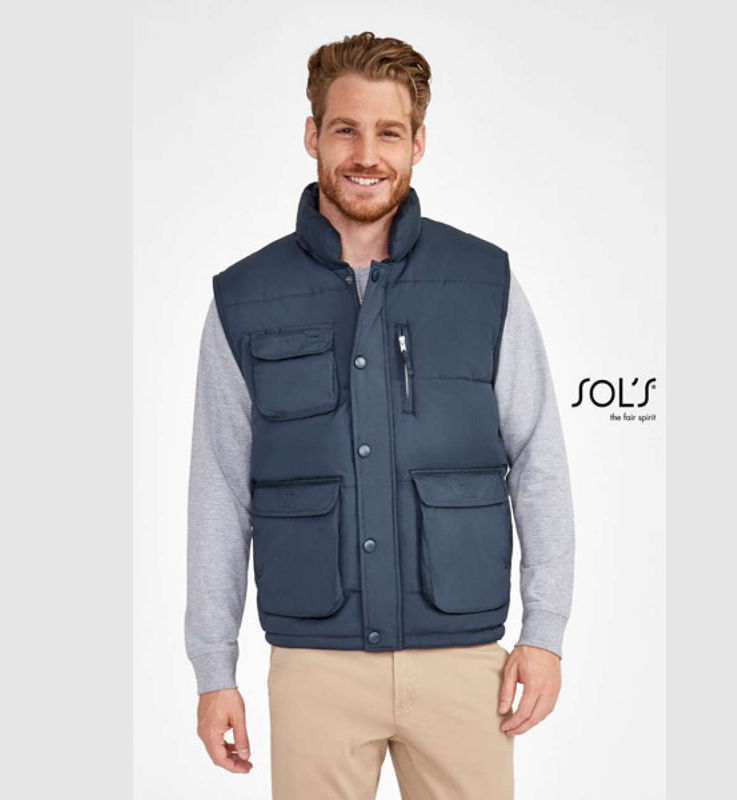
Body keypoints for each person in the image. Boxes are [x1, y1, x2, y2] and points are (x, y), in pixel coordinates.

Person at [185, 30, 575, 799]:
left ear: (418, 143)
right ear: (312, 135)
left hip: (464, 662)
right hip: (314, 668)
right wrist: (213, 669)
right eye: (346, 129)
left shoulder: (485, 282)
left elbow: (540, 461)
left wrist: (546, 632)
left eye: (389, 132)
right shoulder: (245, 298)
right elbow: (219, 489)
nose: (366, 154)